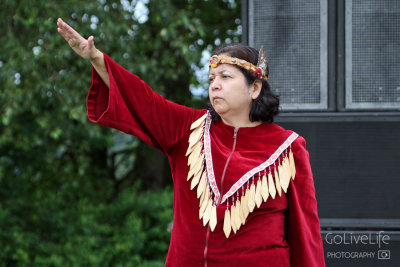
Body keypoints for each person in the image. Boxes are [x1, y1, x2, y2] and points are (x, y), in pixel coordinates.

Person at [57, 18, 325, 267]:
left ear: (254, 88)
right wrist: (97, 59)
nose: (215, 85)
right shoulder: (189, 129)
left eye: (226, 77)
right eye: (211, 79)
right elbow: (142, 99)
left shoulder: (288, 148)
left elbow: (305, 235)